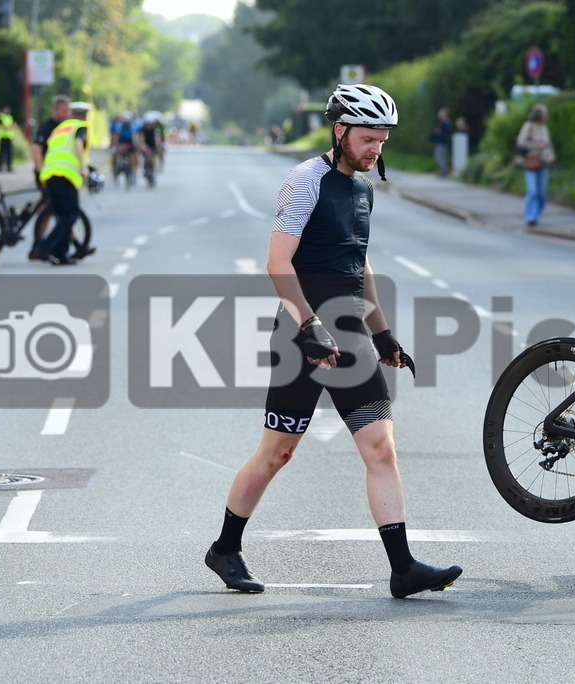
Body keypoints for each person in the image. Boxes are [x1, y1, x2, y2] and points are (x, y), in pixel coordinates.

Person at [204, 83, 462, 599]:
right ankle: (225, 548)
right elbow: (277, 263)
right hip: (301, 335)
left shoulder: (364, 189)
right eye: (368, 139)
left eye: (382, 141)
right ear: (340, 130)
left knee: (381, 448)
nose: (375, 150)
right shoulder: (305, 181)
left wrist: (382, 332)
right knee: (277, 452)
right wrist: (308, 327)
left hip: (351, 335)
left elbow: (357, 263)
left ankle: (403, 568)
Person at [34, 101, 93, 265]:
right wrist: (83, 167)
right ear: (85, 116)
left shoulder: (60, 128)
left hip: (50, 173)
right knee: (71, 215)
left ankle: (61, 253)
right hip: (65, 174)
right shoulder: (80, 127)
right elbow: (78, 144)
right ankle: (45, 247)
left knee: (62, 215)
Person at [516, 104, 555, 226]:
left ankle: (537, 214)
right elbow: (521, 142)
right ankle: (530, 216)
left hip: (543, 162)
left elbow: (548, 145)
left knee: (542, 193)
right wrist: (536, 145)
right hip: (531, 161)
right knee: (532, 191)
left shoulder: (544, 129)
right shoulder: (528, 126)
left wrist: (551, 156)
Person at [110, 110, 143, 184]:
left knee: (134, 156)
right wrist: (114, 145)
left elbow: (135, 137)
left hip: (130, 143)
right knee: (114, 155)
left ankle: (133, 173)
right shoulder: (119, 126)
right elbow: (116, 137)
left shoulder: (133, 126)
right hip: (121, 143)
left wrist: (137, 145)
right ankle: (115, 169)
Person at [431, 107, 451, 177]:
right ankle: (443, 171)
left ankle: (445, 171)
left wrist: (437, 131)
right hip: (440, 142)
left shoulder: (446, 123)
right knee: (439, 157)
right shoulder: (443, 123)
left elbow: (438, 131)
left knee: (440, 157)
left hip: (442, 142)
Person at [0, 106, 16, 172]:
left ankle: (9, 167)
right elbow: (3, 126)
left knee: (9, 153)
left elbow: (13, 125)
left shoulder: (10, 117)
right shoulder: (1, 117)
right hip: (2, 137)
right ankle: (0, 167)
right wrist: (10, 126)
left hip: (9, 137)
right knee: (1, 153)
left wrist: (8, 127)